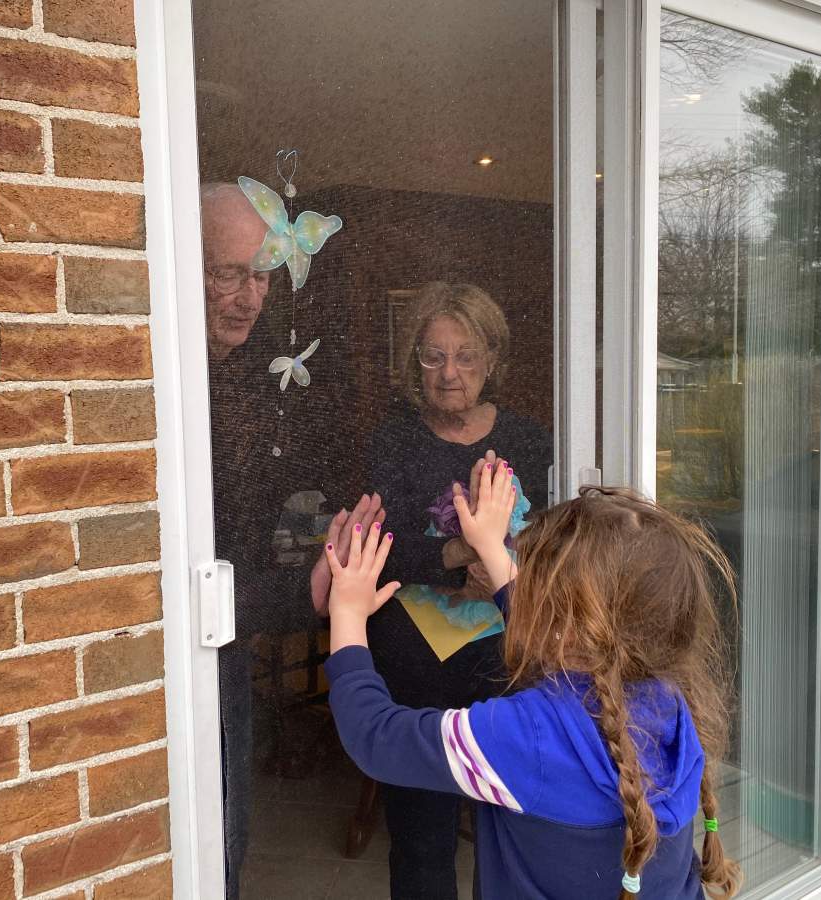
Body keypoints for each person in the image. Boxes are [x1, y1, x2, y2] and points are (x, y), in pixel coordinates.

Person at [321, 463, 743, 899]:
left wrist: (348, 613)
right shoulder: (671, 703)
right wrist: (488, 546)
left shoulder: (521, 739)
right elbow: (557, 634)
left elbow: (376, 737)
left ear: (561, 624)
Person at [316, 281, 550, 897]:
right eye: (433, 356)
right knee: (421, 836)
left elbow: (555, 537)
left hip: (507, 653)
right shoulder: (391, 440)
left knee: (519, 823)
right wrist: (461, 553)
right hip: (415, 660)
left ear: (491, 360)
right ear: (414, 362)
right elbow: (379, 545)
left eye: (466, 356)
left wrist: (504, 558)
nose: (450, 373)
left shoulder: (532, 438)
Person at [200, 182, 383, 898]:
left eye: (263, 274)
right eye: (227, 273)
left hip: (227, 647)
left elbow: (243, 541)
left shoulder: (253, 382)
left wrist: (311, 575)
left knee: (228, 834)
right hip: (154, 662)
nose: (249, 296)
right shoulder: (154, 376)